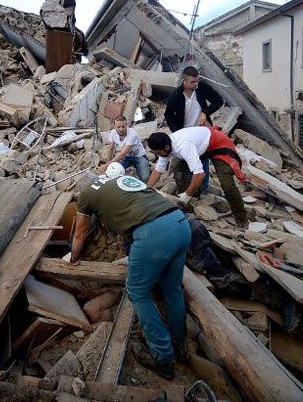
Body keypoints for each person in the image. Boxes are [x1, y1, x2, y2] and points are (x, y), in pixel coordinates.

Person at [70, 165, 191, 380]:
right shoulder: (123, 182)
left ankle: (163, 358)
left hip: (153, 233)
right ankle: (179, 345)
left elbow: (80, 232)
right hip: (180, 222)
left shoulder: (87, 193)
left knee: (137, 291)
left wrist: (73, 260)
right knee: (172, 289)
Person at [146, 127, 248, 228]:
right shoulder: (165, 147)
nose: (159, 156)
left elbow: (200, 174)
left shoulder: (183, 146)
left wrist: (187, 195)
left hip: (218, 144)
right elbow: (158, 170)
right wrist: (146, 189)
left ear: (167, 147)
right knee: (180, 173)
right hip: (200, 147)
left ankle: (241, 219)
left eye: (159, 153)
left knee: (227, 185)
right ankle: (185, 208)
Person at [163, 66, 225, 195]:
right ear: (184, 81)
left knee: (203, 159)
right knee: (185, 161)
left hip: (201, 133)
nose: (196, 84)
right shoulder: (176, 95)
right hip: (184, 133)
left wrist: (205, 112)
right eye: (192, 82)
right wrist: (176, 132)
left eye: (197, 81)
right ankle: (187, 189)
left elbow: (218, 101)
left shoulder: (202, 88)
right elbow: (168, 115)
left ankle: (202, 189)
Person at [98, 115, 150, 182]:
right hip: (127, 157)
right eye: (118, 127)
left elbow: (123, 154)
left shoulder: (132, 134)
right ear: (114, 126)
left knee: (144, 178)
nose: (121, 129)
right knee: (112, 172)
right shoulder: (113, 133)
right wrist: (108, 164)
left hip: (139, 156)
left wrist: (106, 165)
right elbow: (111, 148)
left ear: (127, 125)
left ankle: (145, 166)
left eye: (123, 127)